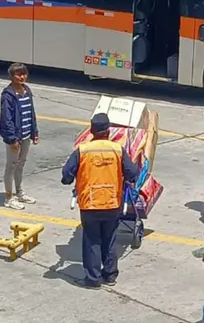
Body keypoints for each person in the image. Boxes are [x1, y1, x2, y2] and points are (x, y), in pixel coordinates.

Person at [61, 113, 140, 288]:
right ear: (108, 131)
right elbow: (132, 173)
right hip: (112, 202)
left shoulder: (82, 150)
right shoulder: (117, 150)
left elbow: (67, 175)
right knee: (110, 238)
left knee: (91, 240)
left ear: (92, 131)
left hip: (90, 204)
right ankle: (110, 275)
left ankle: (93, 278)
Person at [0, 63, 39, 210]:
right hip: (15, 138)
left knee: (20, 165)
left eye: (24, 74)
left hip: (27, 134)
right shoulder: (8, 95)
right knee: (11, 166)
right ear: (11, 76)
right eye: (18, 74)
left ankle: (20, 192)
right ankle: (9, 197)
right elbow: (6, 118)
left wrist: (35, 132)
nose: (22, 77)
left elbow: (31, 112)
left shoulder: (26, 90)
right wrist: (12, 139)